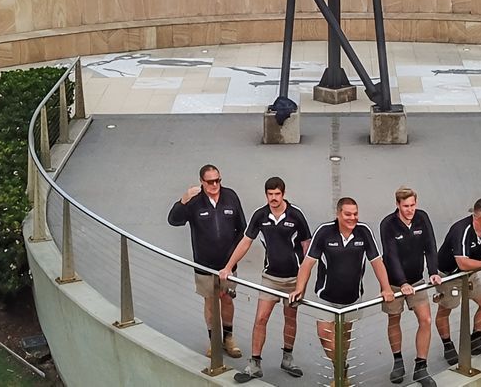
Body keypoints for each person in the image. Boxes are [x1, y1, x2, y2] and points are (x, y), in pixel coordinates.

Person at [217, 177, 311, 382]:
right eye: (270, 194)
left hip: (293, 280)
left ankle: (287, 358)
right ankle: (254, 363)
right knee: (260, 319)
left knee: (290, 318)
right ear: (266, 195)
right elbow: (245, 242)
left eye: (277, 194)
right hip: (270, 278)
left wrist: (303, 282)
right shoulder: (260, 216)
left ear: (283, 194)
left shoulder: (296, 216)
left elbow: (307, 248)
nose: (274, 198)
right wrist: (227, 267)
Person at [290, 198, 393, 364]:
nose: (352, 218)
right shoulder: (324, 232)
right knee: (325, 335)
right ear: (338, 214)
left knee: (344, 339)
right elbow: (307, 263)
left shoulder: (364, 232)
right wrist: (299, 289)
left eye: (355, 214)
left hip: (352, 298)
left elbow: (377, 262)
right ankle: (340, 367)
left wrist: (386, 288)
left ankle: (340, 374)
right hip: (326, 298)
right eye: (347, 214)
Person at [167, 164, 247, 358]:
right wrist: (183, 200)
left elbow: (242, 228)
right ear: (202, 182)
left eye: (218, 180)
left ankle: (228, 338)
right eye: (210, 181)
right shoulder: (195, 201)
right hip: (204, 265)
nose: (215, 185)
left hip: (228, 265)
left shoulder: (231, 196)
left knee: (227, 300)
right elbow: (174, 220)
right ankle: (213, 341)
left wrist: (232, 257)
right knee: (210, 302)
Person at [379, 187, 441, 385]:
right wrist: (402, 283)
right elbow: (391, 256)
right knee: (394, 319)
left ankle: (421, 367)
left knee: (426, 319)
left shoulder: (422, 218)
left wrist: (433, 272)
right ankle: (398, 362)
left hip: (417, 280)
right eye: (405, 206)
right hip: (394, 282)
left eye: (413, 205)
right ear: (397, 205)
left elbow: (430, 245)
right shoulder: (387, 224)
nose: (410, 210)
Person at [434, 197, 481, 366]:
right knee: (445, 310)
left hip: (471, 273)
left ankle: (476, 341)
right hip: (450, 276)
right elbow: (462, 263)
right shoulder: (462, 230)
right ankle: (448, 346)